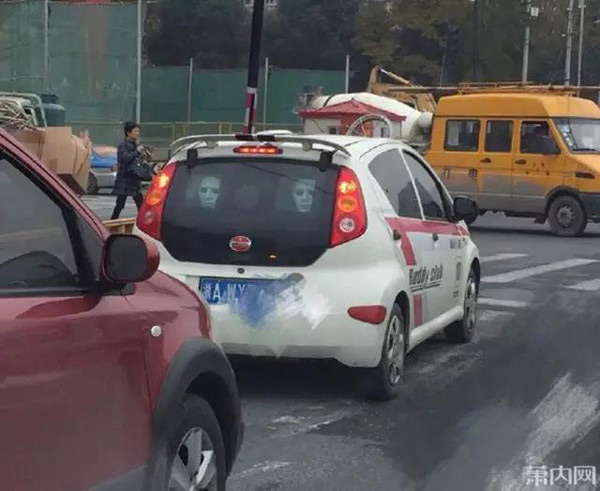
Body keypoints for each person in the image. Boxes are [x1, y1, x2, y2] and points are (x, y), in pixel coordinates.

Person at [110, 121, 144, 220]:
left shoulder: (135, 145)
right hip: (125, 179)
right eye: (136, 131)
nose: (138, 133)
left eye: (138, 131)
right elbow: (126, 158)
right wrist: (137, 152)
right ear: (128, 133)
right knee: (120, 204)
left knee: (140, 204)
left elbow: (137, 161)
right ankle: (112, 223)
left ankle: (142, 223)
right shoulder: (123, 145)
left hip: (134, 178)